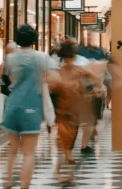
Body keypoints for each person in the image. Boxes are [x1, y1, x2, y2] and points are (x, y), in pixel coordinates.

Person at [2, 24, 58, 189]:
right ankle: (24, 186)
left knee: (12, 150)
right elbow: (54, 79)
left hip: (12, 106)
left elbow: (4, 79)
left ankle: (8, 182)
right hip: (32, 107)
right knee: (29, 153)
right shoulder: (42, 58)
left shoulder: (9, 58)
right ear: (34, 40)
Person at [51, 40, 104, 182]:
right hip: (73, 110)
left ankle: (64, 172)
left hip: (62, 110)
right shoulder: (78, 70)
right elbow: (96, 79)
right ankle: (67, 174)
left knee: (64, 142)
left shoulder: (57, 70)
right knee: (67, 143)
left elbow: (51, 88)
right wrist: (92, 90)